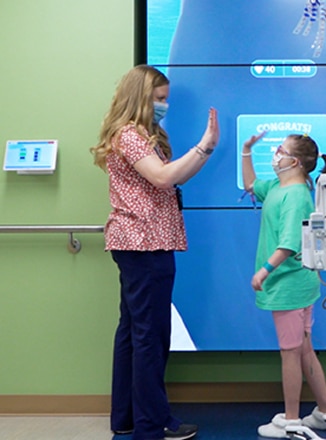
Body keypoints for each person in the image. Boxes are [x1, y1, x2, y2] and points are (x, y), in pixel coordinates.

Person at [90, 64, 219, 440]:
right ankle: (152, 423)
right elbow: (164, 178)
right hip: (145, 243)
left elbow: (172, 176)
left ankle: (127, 417)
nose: (164, 105)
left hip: (141, 243)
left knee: (133, 331)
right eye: (159, 99)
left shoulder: (145, 136)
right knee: (150, 335)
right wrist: (205, 143)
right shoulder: (130, 136)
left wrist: (205, 150)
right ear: (140, 97)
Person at [241, 132, 326, 438]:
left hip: (290, 285)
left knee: (290, 352)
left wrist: (264, 272)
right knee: (303, 350)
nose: (275, 154)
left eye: (280, 150)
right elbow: (250, 185)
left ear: (294, 161)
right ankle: (325, 412)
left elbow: (289, 243)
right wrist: (247, 150)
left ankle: (292, 420)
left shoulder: (297, 195)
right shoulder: (277, 186)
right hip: (295, 284)